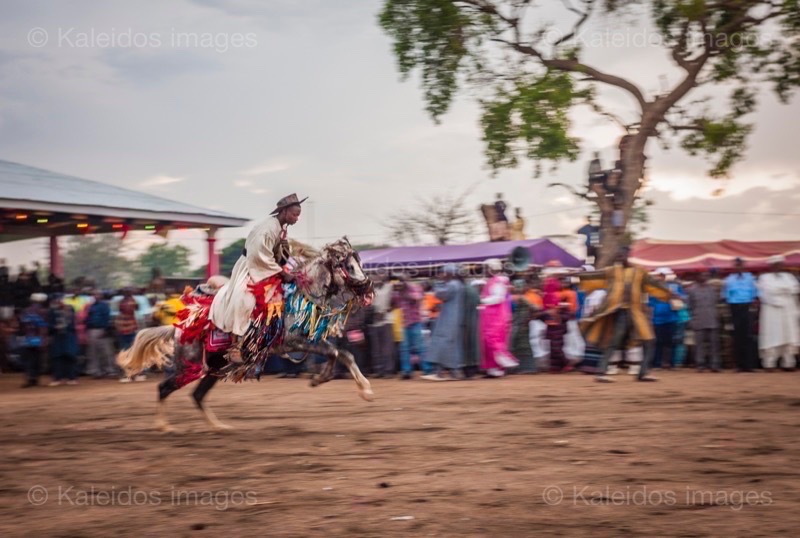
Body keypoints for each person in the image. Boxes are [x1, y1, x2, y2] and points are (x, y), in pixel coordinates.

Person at [211, 193, 306, 362]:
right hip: (249, 267)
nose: (297, 218)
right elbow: (258, 256)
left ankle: (277, 339)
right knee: (245, 299)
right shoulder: (267, 228)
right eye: (294, 214)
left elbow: (277, 255)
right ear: (284, 212)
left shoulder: (281, 228)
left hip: (267, 269)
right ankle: (236, 346)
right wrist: (283, 273)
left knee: (283, 298)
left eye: (298, 215)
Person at [578, 246, 673, 383]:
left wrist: (669, 294)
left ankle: (643, 373)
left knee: (649, 340)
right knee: (613, 342)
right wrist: (576, 276)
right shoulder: (612, 271)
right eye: (617, 257)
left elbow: (653, 285)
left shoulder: (639, 272)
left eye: (621, 256)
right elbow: (595, 276)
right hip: (620, 312)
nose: (619, 259)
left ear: (627, 255)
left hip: (637, 313)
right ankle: (601, 372)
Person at [423, 264, 465, 381]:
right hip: (453, 317)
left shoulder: (452, 285)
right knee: (449, 344)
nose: (443, 275)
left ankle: (444, 372)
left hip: (449, 319)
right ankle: (447, 371)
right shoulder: (459, 284)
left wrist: (438, 283)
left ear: (450, 273)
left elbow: (440, 295)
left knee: (443, 343)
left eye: (444, 273)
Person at [757, 256, 799, 370]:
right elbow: (767, 292)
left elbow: (795, 289)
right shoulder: (764, 278)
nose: (779, 266)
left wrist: (779, 290)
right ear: (771, 266)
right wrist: (784, 291)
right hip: (772, 311)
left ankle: (789, 363)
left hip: (788, 311)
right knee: (773, 336)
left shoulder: (789, 277)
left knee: (789, 335)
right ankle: (770, 363)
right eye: (777, 264)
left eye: (781, 264)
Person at [479, 259, 518, 377]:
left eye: (486, 268)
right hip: (490, 316)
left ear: (492, 269)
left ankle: (503, 363)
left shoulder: (498, 281)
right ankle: (493, 369)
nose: (484, 270)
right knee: (487, 342)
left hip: (496, 317)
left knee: (492, 340)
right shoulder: (491, 281)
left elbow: (498, 298)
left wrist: (482, 301)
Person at [722, 258, 758, 372]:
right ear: (734, 266)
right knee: (737, 337)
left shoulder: (750, 278)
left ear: (744, 266)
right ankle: (739, 365)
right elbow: (724, 295)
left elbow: (756, 293)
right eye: (737, 265)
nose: (739, 267)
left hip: (747, 307)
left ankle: (749, 365)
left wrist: (754, 305)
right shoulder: (729, 279)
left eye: (740, 265)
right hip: (735, 308)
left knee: (748, 336)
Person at [393, 276, 427, 379]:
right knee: (404, 348)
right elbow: (393, 304)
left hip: (415, 322)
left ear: (406, 281)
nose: (399, 285)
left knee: (420, 347)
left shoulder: (415, 288)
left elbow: (417, 298)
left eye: (401, 282)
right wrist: (394, 292)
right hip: (405, 323)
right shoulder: (398, 293)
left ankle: (428, 370)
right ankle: (406, 371)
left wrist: (405, 292)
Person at [687, 271, 721, 372]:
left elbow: (716, 303)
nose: (704, 277)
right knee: (699, 345)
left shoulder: (712, 289)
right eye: (702, 275)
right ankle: (700, 364)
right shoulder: (692, 290)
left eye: (706, 275)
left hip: (712, 319)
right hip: (698, 319)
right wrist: (692, 319)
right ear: (697, 276)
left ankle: (714, 365)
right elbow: (690, 306)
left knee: (714, 344)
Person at [47, 294, 79, 385]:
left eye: (60, 299)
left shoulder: (70, 309)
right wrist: (54, 327)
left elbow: (72, 322)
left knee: (70, 356)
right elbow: (50, 324)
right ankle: (57, 378)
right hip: (57, 336)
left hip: (68, 335)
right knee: (57, 357)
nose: (59, 301)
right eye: (57, 300)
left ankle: (71, 377)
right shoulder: (52, 311)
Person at [368, 274, 395, 378]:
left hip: (386, 320)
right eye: (374, 276)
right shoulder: (371, 290)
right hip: (374, 321)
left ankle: (388, 370)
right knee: (376, 348)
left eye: (381, 274)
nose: (378, 278)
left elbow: (395, 302)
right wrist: (373, 313)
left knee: (387, 348)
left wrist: (385, 311)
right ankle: (379, 370)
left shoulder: (390, 287)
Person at [649, 268, 677, 369]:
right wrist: (651, 320)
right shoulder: (652, 289)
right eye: (658, 275)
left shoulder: (674, 287)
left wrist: (674, 295)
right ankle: (657, 363)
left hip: (671, 318)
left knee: (670, 342)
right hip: (657, 319)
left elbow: (683, 299)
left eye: (662, 275)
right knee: (658, 342)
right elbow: (650, 305)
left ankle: (670, 363)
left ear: (664, 277)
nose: (660, 277)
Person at [19, 293, 49, 387]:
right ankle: (35, 378)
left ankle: (29, 378)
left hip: (28, 338)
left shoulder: (26, 311)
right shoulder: (43, 311)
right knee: (37, 359)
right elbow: (44, 326)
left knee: (29, 359)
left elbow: (22, 324)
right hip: (38, 338)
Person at [85, 291, 116, 378]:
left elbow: (107, 317)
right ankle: (96, 371)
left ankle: (109, 370)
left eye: (98, 294)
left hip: (102, 329)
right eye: (95, 294)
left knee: (106, 352)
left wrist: (106, 329)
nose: (96, 296)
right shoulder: (91, 306)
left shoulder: (104, 305)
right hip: (92, 330)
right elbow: (88, 318)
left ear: (101, 296)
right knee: (93, 352)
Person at [462, 278, 482, 378]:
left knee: (466, 345)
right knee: (473, 343)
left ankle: (467, 370)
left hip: (464, 320)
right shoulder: (474, 291)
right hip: (474, 319)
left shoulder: (462, 290)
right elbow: (479, 302)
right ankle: (473, 369)